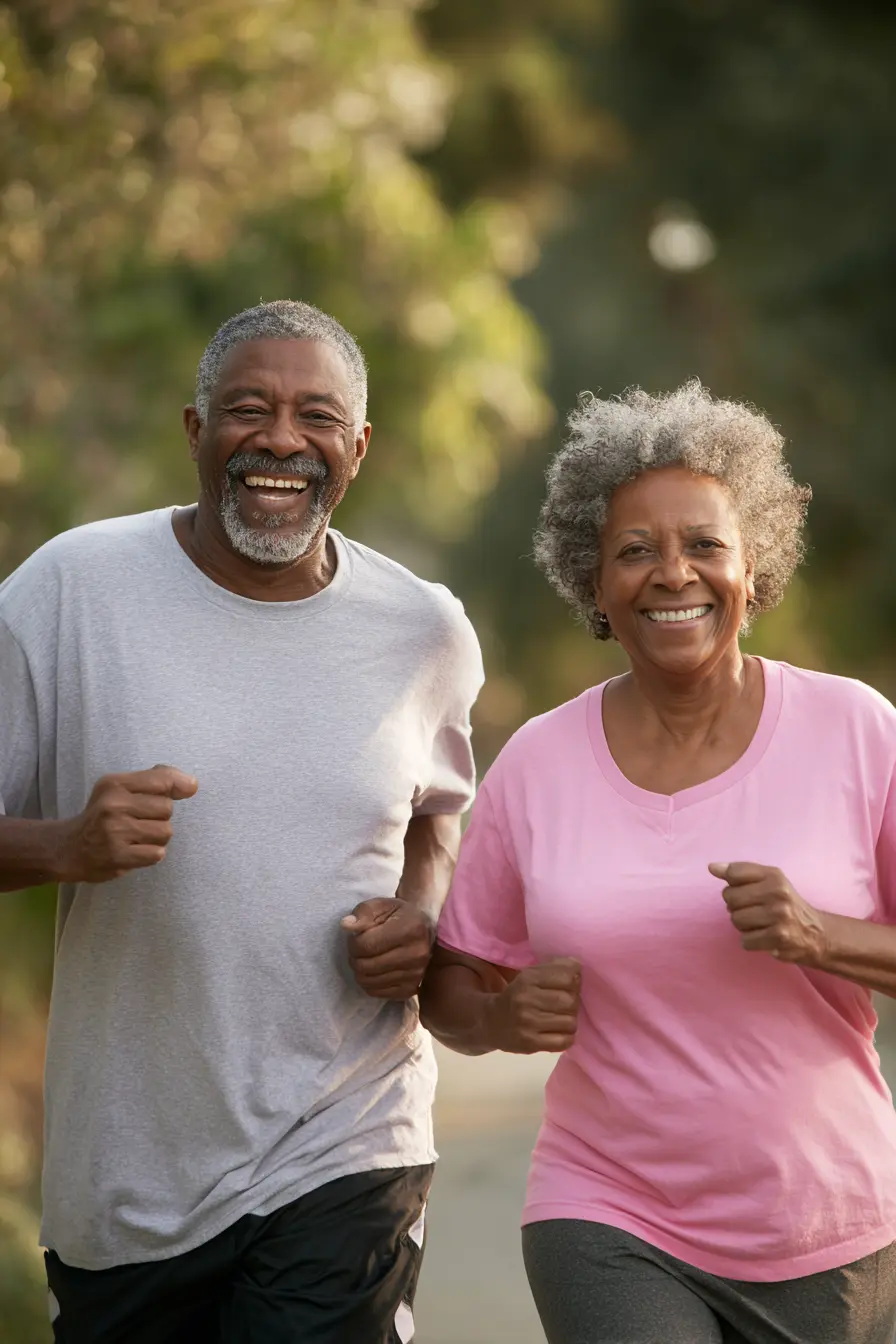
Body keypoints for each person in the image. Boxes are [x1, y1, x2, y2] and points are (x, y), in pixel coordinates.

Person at [0, 299, 483, 1343]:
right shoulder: (70, 591)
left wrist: (416, 916)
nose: (279, 440)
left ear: (356, 448)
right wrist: (63, 846)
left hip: (347, 1133)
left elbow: (438, 816)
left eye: (316, 417)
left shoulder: (423, 630)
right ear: (194, 430)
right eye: (247, 409)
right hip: (127, 1176)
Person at [420, 379, 896, 1344]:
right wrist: (505, 1017)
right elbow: (451, 990)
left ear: (752, 566)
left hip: (828, 1222)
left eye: (704, 545)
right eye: (634, 551)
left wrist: (821, 935)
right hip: (604, 1211)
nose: (671, 573)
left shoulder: (855, 728)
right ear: (593, 584)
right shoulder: (539, 765)